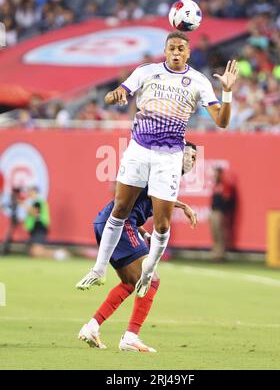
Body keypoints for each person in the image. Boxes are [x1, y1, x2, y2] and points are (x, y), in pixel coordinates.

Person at [76, 31, 239, 297]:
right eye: (171, 48)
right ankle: (98, 269)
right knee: (120, 207)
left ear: (187, 53)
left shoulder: (198, 81)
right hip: (139, 149)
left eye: (180, 49)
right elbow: (113, 95)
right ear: (165, 51)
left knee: (162, 224)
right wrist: (115, 95)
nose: (176, 52)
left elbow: (221, 121)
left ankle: (148, 270)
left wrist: (228, 91)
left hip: (169, 156)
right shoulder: (146, 71)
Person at [78, 142, 198, 352]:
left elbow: (138, 204)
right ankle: (131, 336)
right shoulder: (164, 172)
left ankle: (92, 327)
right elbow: (155, 197)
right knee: (151, 279)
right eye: (189, 155)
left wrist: (143, 232)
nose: (192, 161)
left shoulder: (166, 176)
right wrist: (183, 205)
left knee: (129, 282)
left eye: (195, 158)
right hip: (119, 224)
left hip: (108, 221)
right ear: (178, 155)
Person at [209, 167, 236, 261]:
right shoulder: (215, 185)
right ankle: (215, 253)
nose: (215, 175)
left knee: (220, 234)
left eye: (216, 173)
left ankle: (221, 254)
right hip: (213, 212)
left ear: (220, 174)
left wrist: (223, 212)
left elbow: (227, 200)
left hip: (220, 212)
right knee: (214, 233)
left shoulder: (224, 185)